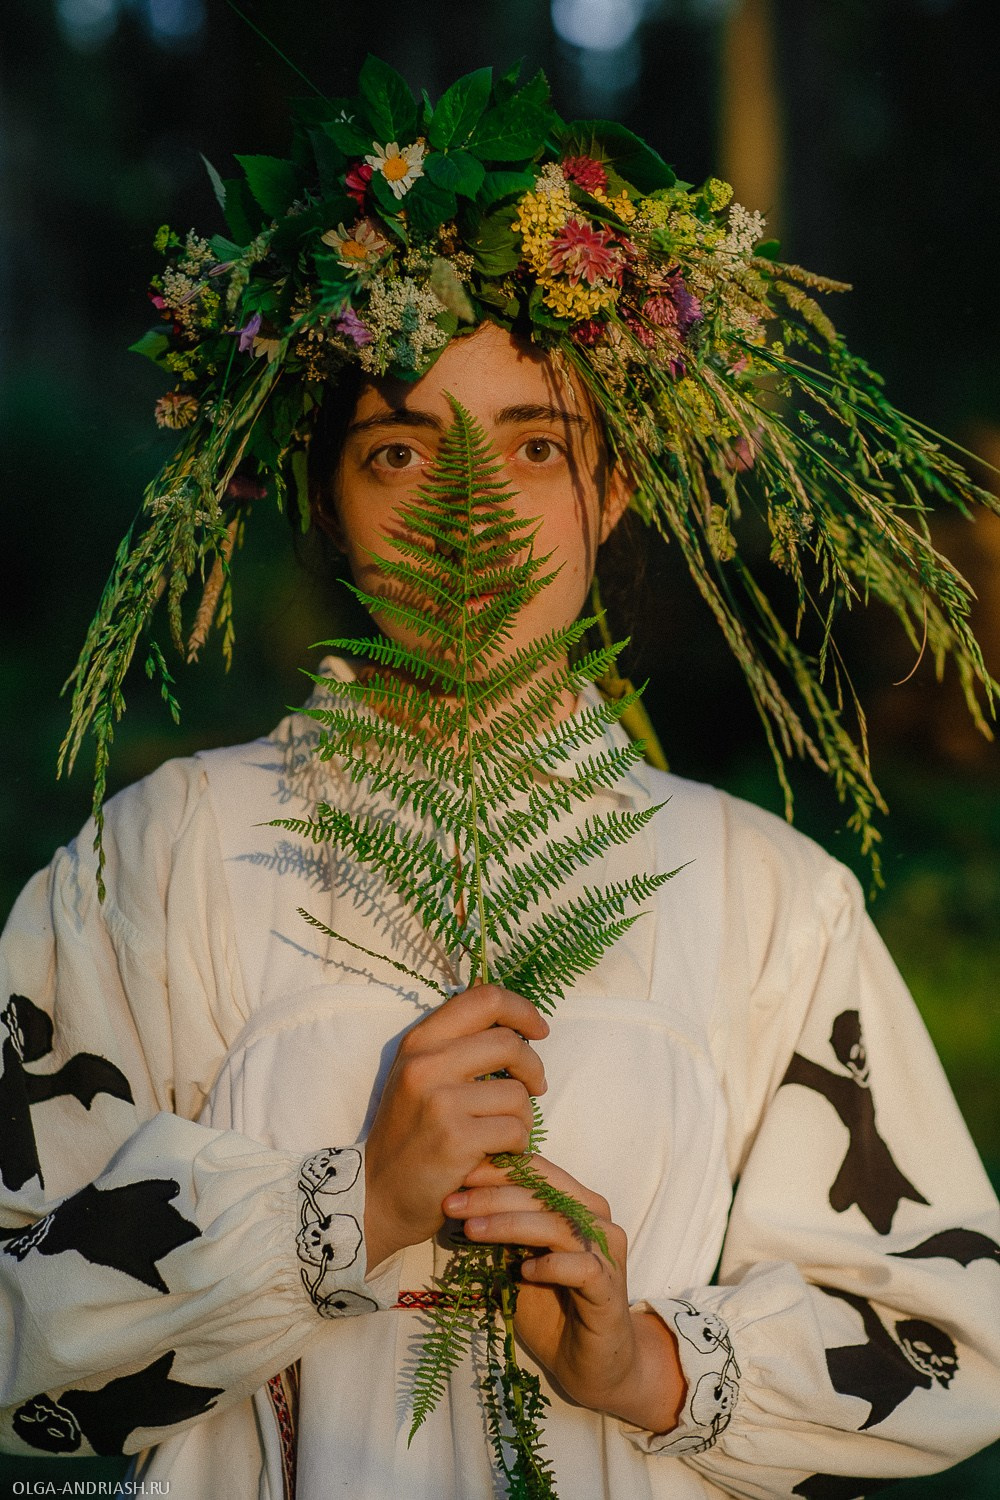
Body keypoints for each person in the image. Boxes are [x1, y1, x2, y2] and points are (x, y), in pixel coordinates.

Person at [2, 59, 999, 1500]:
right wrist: (346, 1212)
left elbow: (952, 1336)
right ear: (328, 499)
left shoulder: (765, 898)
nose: (470, 510)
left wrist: (644, 1364)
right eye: (400, 451)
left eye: (536, 446)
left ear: (612, 489)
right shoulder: (160, 861)